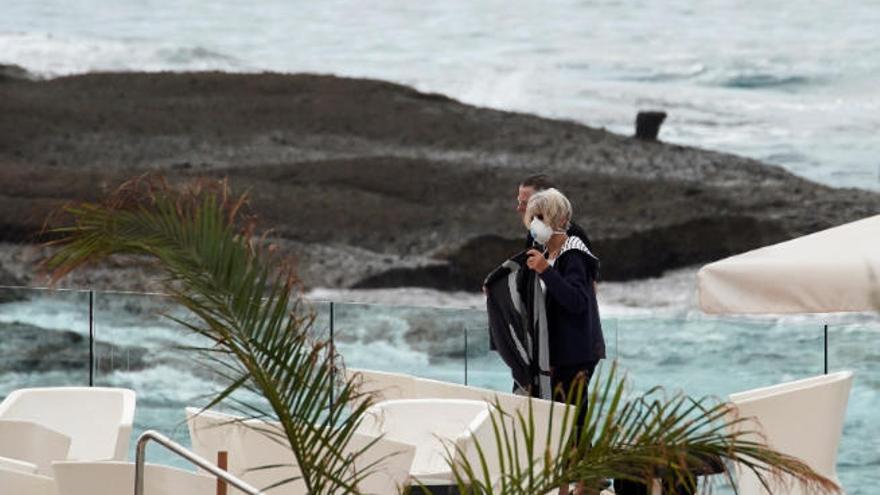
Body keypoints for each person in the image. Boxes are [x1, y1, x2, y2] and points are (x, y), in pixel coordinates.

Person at [523, 188, 605, 495]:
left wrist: (546, 272)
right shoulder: (548, 253)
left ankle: (586, 484)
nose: (535, 224)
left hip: (578, 353)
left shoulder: (573, 253)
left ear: (558, 218)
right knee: (565, 422)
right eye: (533, 218)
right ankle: (574, 484)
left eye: (541, 217)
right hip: (559, 354)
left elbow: (576, 301)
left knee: (573, 422)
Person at [517, 174, 593, 253]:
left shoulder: (573, 239)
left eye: (526, 203)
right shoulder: (536, 232)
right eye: (519, 202)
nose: (519, 208)